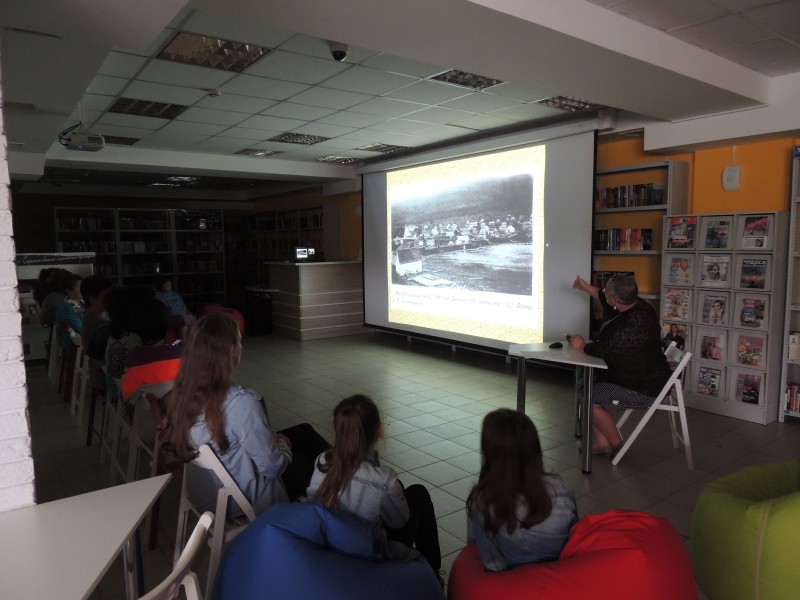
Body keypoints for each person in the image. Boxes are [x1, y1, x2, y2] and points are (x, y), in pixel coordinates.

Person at [168, 312, 330, 516]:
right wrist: (283, 446)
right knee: (314, 464)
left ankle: (352, 469)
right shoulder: (241, 404)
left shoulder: (184, 394)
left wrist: (272, 441)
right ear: (231, 351)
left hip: (208, 493)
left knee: (304, 432)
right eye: (240, 341)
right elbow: (273, 467)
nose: (241, 347)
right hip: (242, 499)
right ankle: (352, 482)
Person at [307, 395, 442, 576]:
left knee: (396, 491)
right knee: (418, 494)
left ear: (335, 430)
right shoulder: (384, 480)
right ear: (380, 430)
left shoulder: (322, 461)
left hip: (330, 546)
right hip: (366, 555)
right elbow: (399, 522)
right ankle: (432, 573)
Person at [569, 274, 672, 456]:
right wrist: (585, 287)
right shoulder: (637, 304)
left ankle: (616, 445)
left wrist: (581, 345)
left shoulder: (634, 324)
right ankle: (603, 444)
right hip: (642, 375)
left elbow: (604, 350)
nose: (603, 293)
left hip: (644, 386)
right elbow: (602, 296)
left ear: (616, 299)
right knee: (586, 387)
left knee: (588, 397)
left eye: (607, 292)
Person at [466, 409, 578, 571]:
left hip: (518, 577)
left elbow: (492, 563)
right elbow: (576, 532)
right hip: (566, 570)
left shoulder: (484, 501)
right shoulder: (559, 485)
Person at [54, 273, 85, 347]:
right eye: (79, 287)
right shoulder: (67, 308)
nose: (83, 289)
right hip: (76, 347)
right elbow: (80, 330)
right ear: (68, 290)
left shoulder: (81, 302)